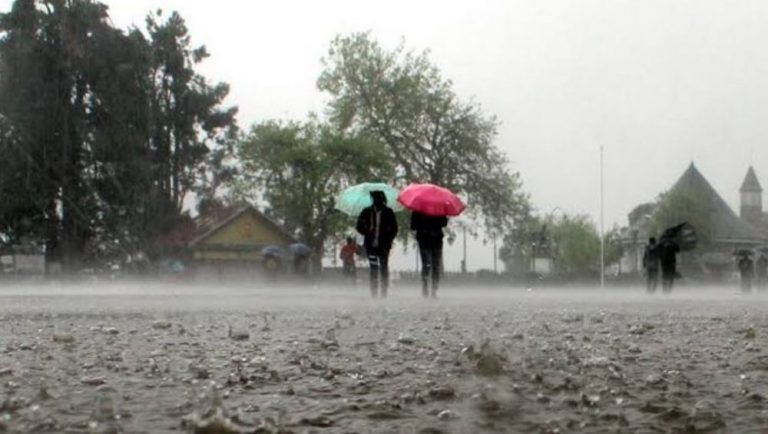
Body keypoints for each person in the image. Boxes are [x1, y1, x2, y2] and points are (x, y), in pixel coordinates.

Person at [356, 191, 398, 298]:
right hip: (371, 245)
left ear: (382, 199)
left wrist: (388, 239)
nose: (375, 201)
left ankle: (384, 291)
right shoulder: (366, 211)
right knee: (373, 267)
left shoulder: (388, 212)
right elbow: (359, 226)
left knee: (384, 267)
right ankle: (374, 292)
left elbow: (394, 228)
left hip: (384, 245)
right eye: (374, 199)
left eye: (377, 199)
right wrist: (367, 230)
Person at [411, 211, 448, 298]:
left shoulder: (438, 210)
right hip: (426, 241)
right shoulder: (418, 211)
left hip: (434, 241)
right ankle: (428, 287)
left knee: (432, 265)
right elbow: (413, 225)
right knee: (429, 265)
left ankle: (432, 288)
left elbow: (444, 223)